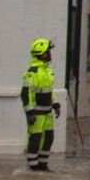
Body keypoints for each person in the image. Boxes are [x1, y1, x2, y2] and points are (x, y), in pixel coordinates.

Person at [22, 38, 61, 171]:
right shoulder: (32, 72)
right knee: (35, 138)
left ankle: (43, 164)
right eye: (48, 52)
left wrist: (55, 104)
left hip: (47, 112)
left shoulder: (47, 70)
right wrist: (30, 112)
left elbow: (50, 90)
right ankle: (33, 166)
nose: (50, 54)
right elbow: (25, 94)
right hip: (37, 113)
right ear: (41, 53)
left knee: (49, 138)